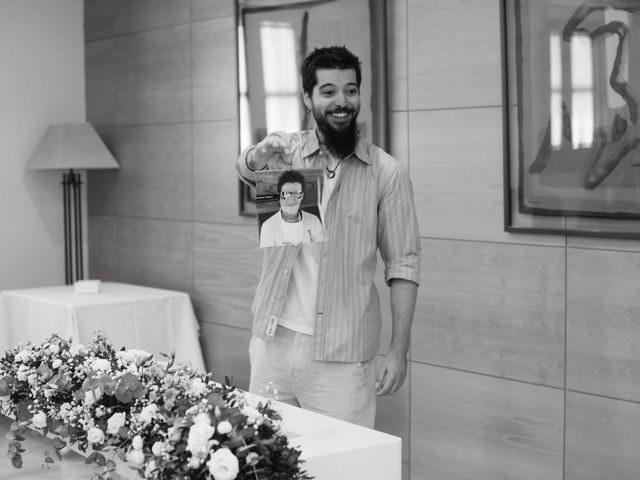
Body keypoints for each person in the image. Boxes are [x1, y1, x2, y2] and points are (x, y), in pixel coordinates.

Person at [236, 45, 420, 428]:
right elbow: (246, 171)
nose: (342, 102)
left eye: (350, 90)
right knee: (261, 462)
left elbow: (403, 264)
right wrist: (258, 155)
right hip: (272, 341)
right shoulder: (288, 155)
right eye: (329, 91)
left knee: (347, 466)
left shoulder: (386, 172)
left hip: (343, 354)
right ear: (308, 98)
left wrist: (398, 350)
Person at [259, 169, 325, 247]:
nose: (291, 199)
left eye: (297, 193)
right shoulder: (268, 227)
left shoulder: (314, 221)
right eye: (286, 193)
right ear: (279, 196)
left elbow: (321, 253)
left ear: (302, 196)